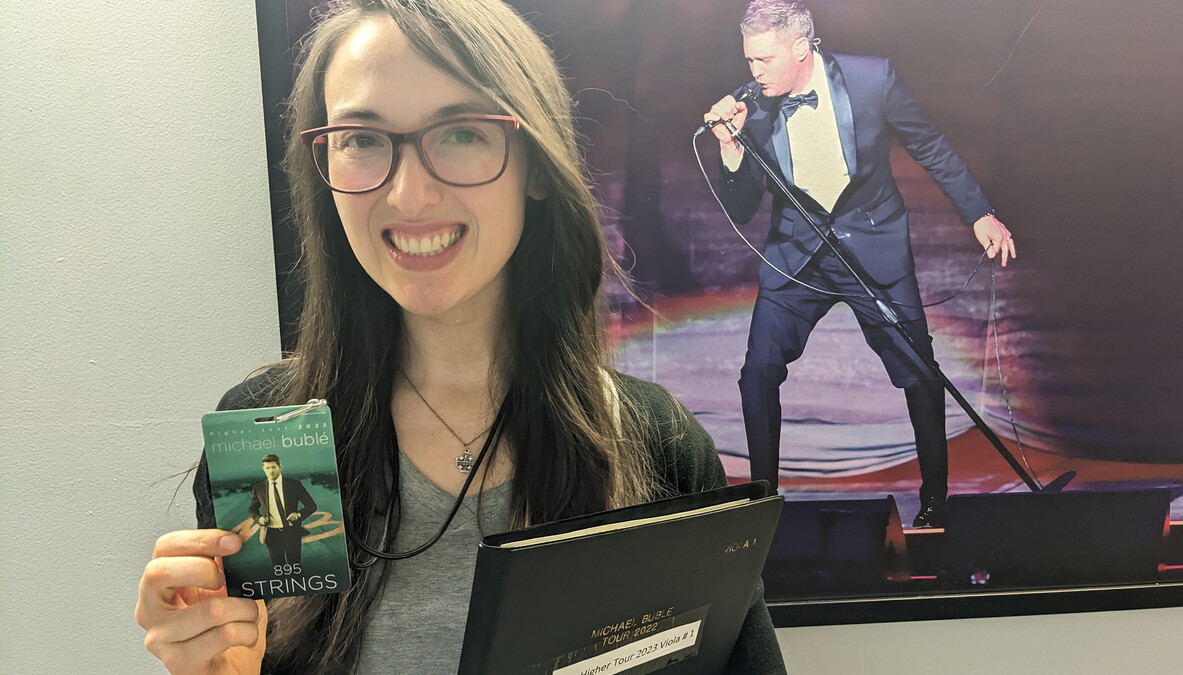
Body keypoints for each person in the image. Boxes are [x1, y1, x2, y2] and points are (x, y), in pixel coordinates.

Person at [134, 1, 786, 673]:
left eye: (462, 133)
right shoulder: (265, 435)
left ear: (536, 163)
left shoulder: (657, 444)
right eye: (361, 138)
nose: (411, 196)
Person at [704, 0, 1016, 528]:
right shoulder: (749, 108)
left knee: (919, 370)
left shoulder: (873, 81)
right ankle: (761, 510)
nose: (753, 72)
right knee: (757, 371)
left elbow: (930, 145)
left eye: (764, 60)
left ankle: (935, 500)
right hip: (798, 256)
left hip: (873, 247)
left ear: (801, 49)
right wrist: (731, 151)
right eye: (749, 60)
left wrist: (979, 213)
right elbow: (741, 210)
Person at [248, 454, 317, 567]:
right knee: (278, 568)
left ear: (280, 467)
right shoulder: (258, 488)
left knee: (295, 567)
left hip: (292, 532)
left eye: (273, 467)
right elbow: (252, 510)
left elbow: (311, 505)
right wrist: (259, 519)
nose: (271, 471)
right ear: (263, 469)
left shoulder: (294, 484)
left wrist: (298, 514)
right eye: (267, 468)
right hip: (272, 534)